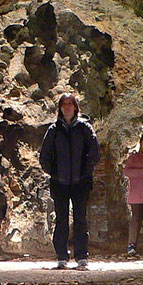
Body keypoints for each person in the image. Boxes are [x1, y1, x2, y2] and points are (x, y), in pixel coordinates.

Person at [39, 93, 100, 269]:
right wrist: (54, 173)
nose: (67, 107)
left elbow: (94, 152)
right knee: (61, 219)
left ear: (75, 107)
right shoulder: (53, 130)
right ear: (60, 107)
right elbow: (45, 155)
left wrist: (85, 172)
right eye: (64, 104)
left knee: (81, 219)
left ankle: (81, 256)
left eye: (70, 104)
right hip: (60, 182)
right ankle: (61, 256)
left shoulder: (85, 129)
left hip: (81, 182)